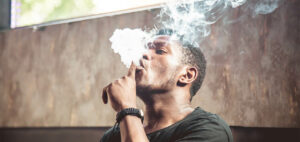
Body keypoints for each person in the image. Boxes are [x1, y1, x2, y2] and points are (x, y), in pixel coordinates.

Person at [100, 29, 233, 142]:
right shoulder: (115, 135)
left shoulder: (209, 129)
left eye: (160, 51)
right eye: (144, 49)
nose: (143, 54)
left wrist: (127, 108)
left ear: (187, 75)